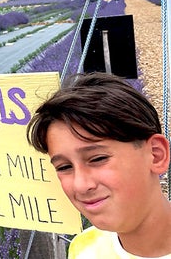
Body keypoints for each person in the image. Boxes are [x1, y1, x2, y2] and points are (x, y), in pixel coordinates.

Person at [27, 72, 171, 258]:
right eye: (64, 167)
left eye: (97, 159)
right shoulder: (83, 249)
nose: (81, 185)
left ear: (155, 155)